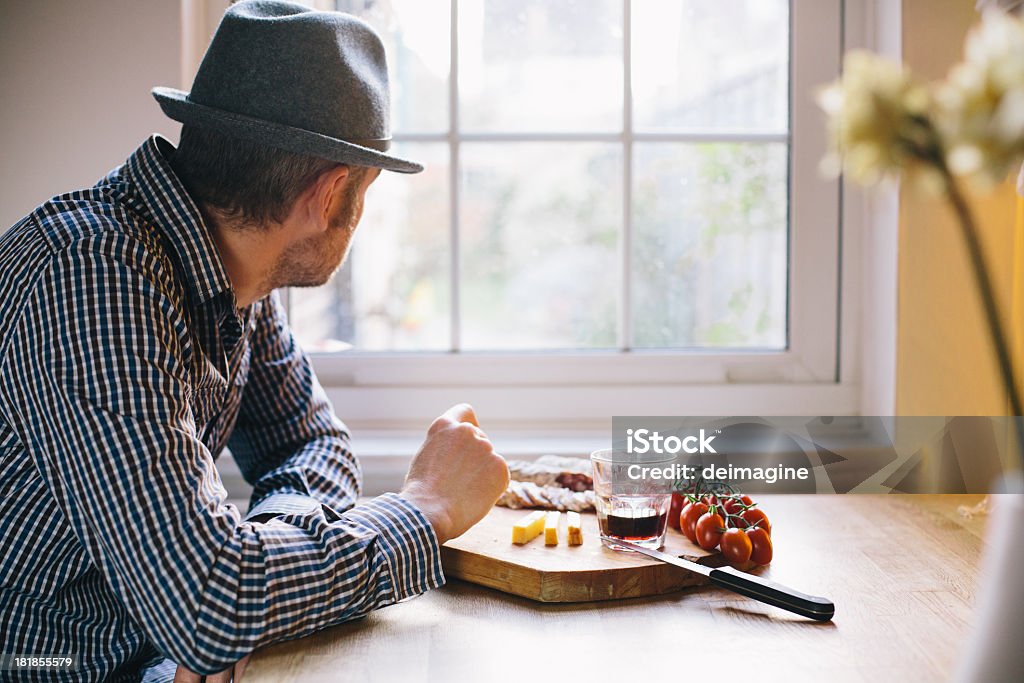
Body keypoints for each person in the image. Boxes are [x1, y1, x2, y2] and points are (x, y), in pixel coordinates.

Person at [0, 2, 509, 681]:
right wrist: (426, 509)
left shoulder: (230, 272)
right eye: (367, 193)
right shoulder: (91, 280)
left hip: (146, 659)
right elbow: (208, 600)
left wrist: (248, 597)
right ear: (330, 196)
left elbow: (310, 445)